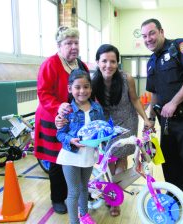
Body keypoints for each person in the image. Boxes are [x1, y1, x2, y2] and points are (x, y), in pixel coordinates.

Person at [57, 44, 153, 217]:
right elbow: (80, 101)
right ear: (97, 62)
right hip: (103, 121)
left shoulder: (126, 78)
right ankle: (110, 195)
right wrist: (62, 110)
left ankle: (115, 199)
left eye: (113, 61)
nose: (108, 65)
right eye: (104, 61)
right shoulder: (92, 81)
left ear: (118, 63)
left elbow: (135, 99)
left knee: (121, 159)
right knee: (108, 159)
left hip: (126, 120)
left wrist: (146, 119)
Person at [141, 18, 183, 224]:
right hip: (166, 125)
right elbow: (154, 94)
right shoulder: (151, 62)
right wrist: (150, 118)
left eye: (151, 33)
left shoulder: (180, 46)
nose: (148, 39)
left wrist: (174, 102)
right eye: (144, 36)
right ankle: (176, 201)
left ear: (161, 31)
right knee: (170, 166)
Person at [34, 26, 89, 214]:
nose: (73, 46)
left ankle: (75, 193)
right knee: (58, 160)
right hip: (52, 118)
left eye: (76, 42)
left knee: (75, 157)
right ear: (59, 45)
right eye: (68, 43)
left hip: (75, 121)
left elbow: (88, 90)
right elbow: (43, 93)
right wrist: (59, 107)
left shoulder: (82, 66)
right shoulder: (50, 64)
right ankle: (57, 198)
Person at [56, 69, 103, 224]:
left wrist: (107, 136)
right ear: (70, 89)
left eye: (86, 86)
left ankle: (84, 215)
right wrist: (71, 140)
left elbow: (101, 128)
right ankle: (73, 221)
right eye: (77, 87)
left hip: (88, 155)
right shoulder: (66, 110)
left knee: (84, 187)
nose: (82, 91)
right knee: (74, 191)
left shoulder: (97, 108)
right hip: (70, 155)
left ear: (91, 88)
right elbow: (60, 134)